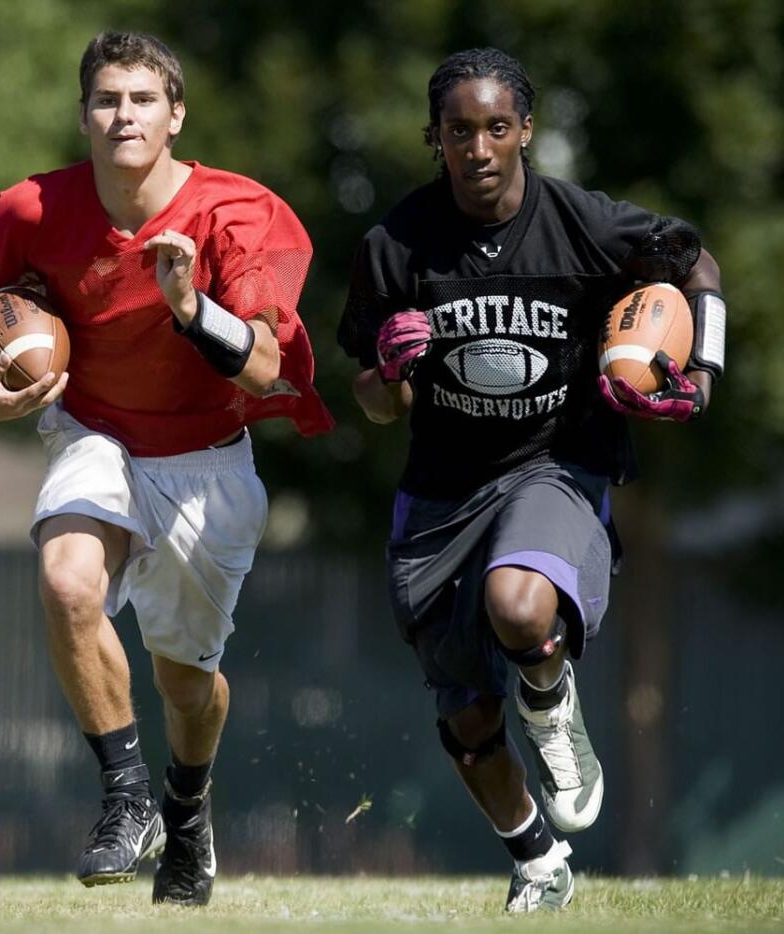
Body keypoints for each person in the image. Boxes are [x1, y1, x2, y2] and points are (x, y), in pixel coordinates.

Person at [0, 31, 332, 906]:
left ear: (175, 114)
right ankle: (125, 793)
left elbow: (266, 366)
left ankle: (186, 813)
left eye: (143, 100)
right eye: (108, 100)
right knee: (67, 579)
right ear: (84, 114)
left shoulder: (238, 212)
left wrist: (191, 307)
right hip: (96, 434)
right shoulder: (32, 209)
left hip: (207, 461)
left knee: (187, 683)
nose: (124, 116)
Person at [337, 48, 724, 912]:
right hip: (442, 492)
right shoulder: (393, 244)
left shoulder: (585, 224)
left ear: (527, 132)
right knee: (468, 719)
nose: (479, 148)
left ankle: (552, 707)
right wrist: (389, 374)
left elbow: (697, 266)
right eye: (459, 131)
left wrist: (700, 377)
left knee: (521, 605)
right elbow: (373, 400)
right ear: (434, 138)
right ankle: (538, 858)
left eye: (497, 128)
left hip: (558, 463)